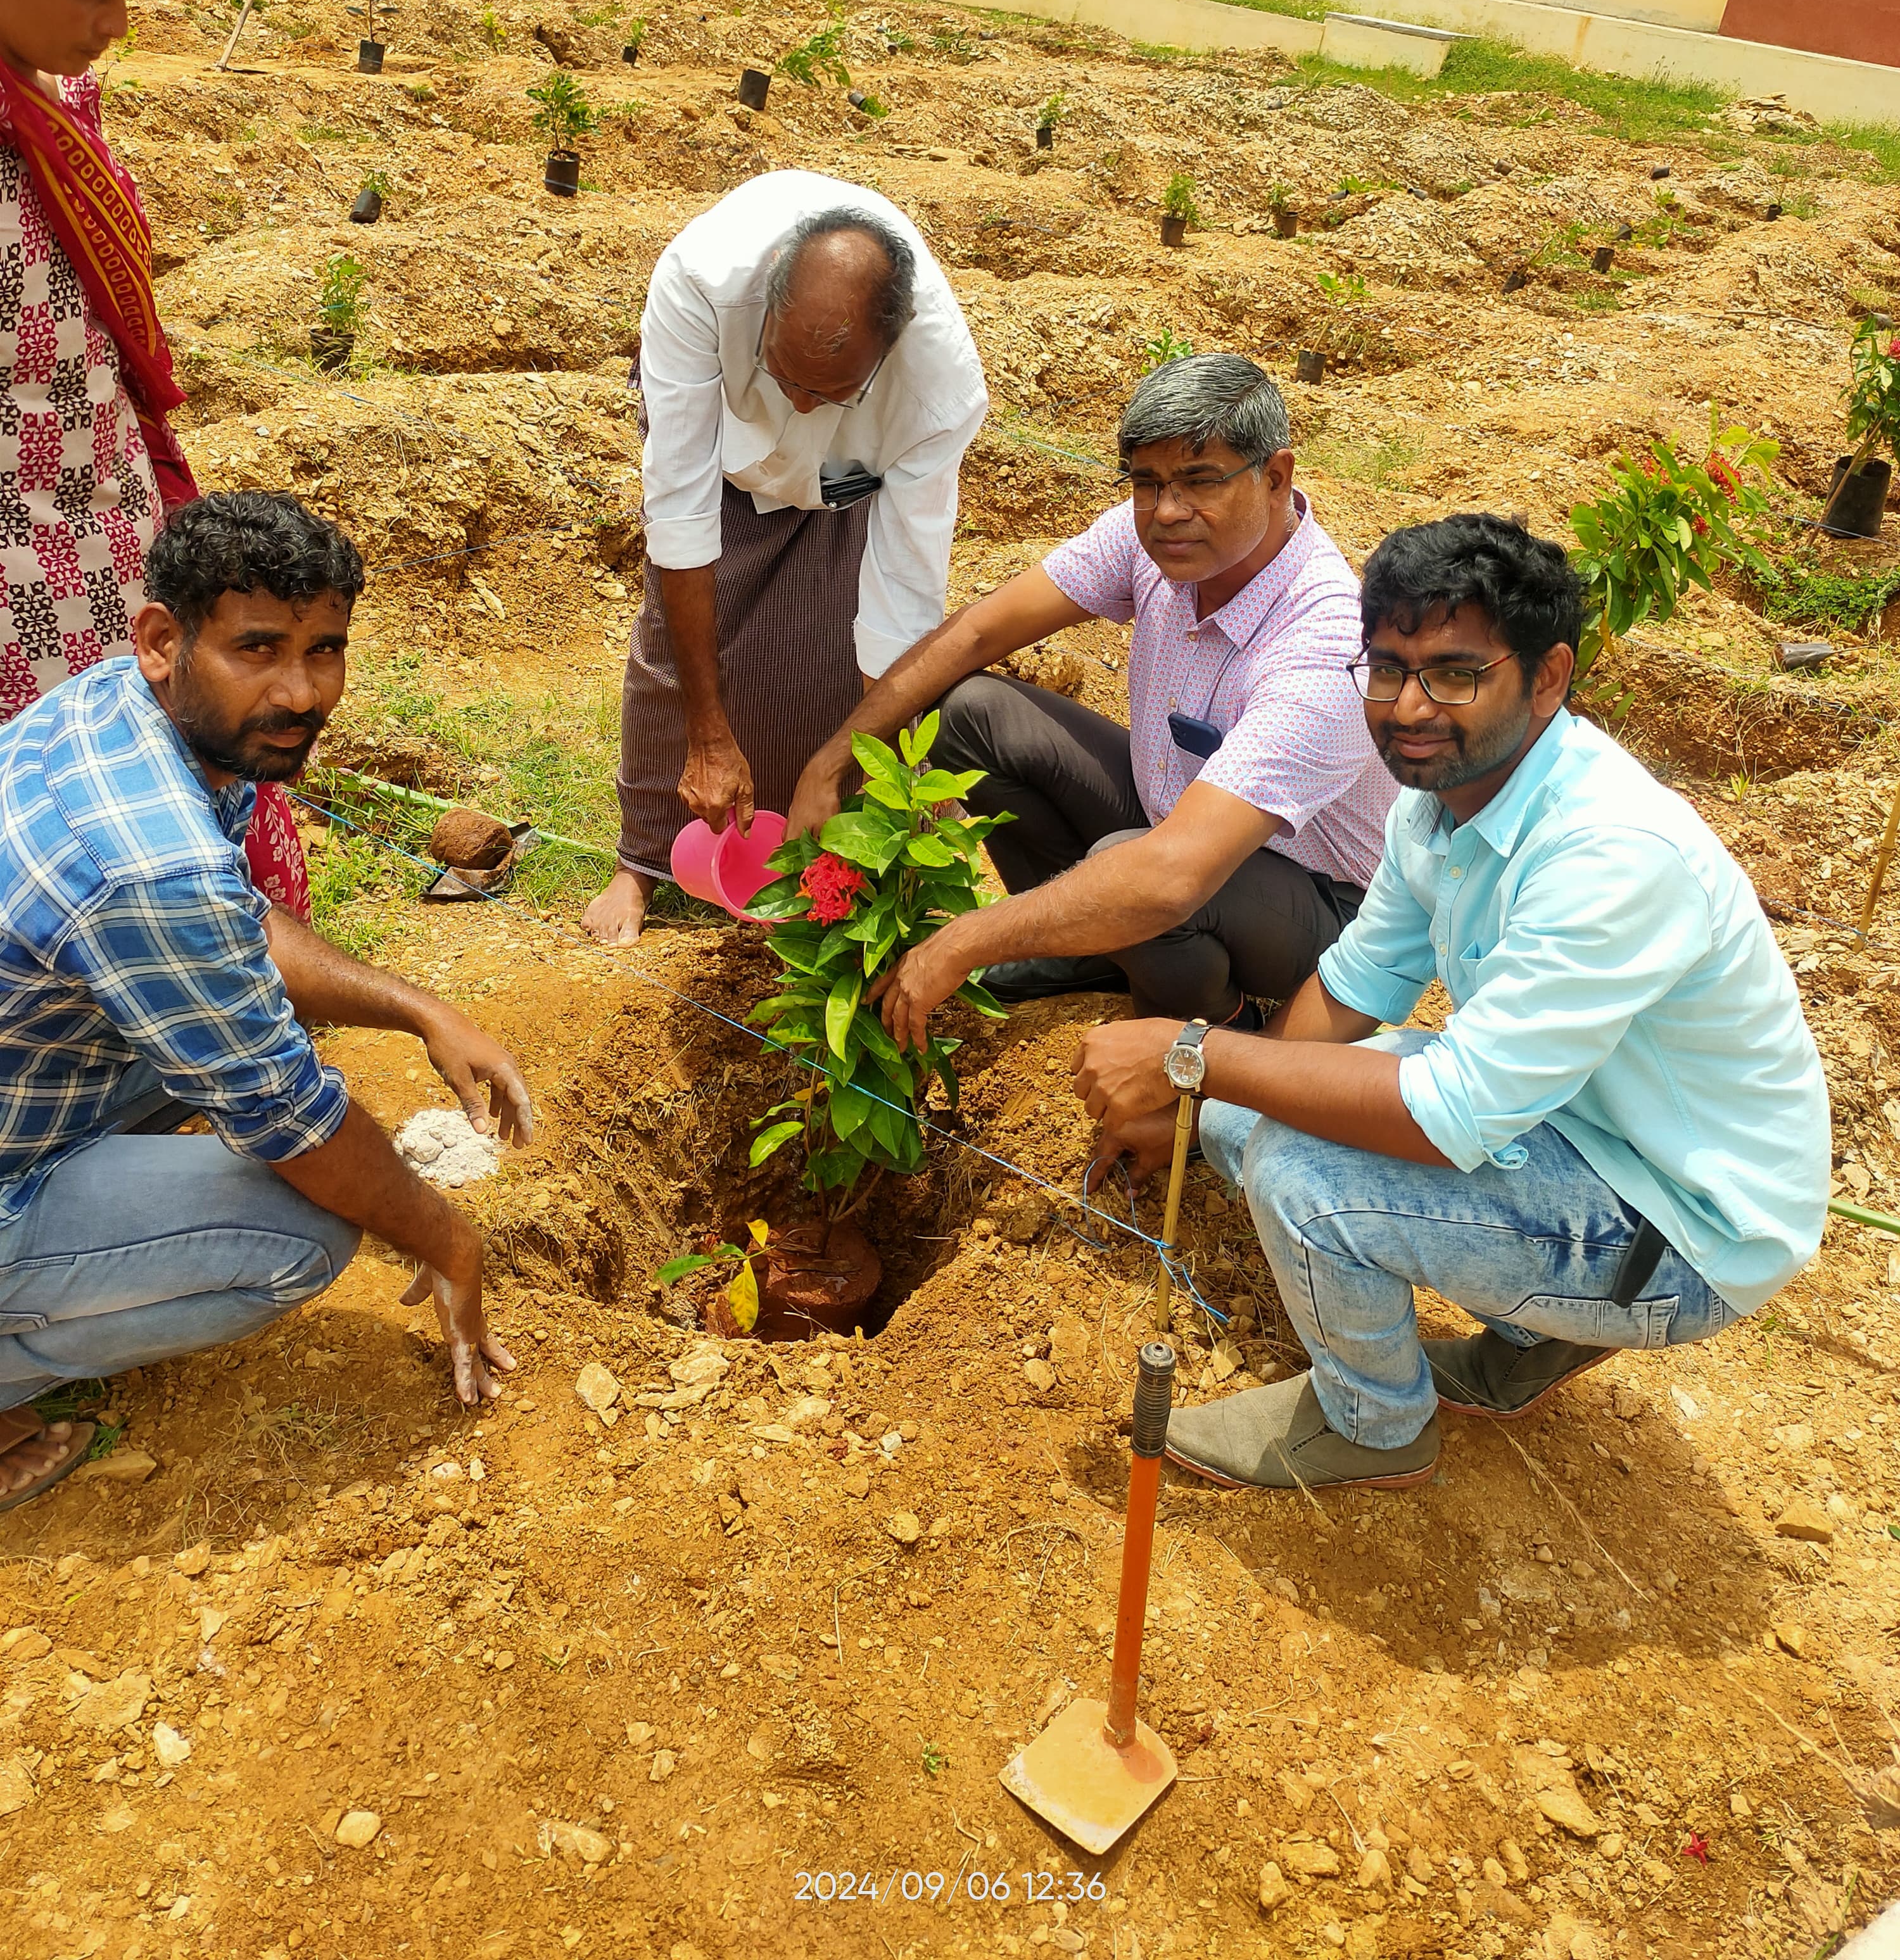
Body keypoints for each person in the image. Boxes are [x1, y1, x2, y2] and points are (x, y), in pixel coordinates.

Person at [1074, 512, 1829, 1495]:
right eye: (1387, 668)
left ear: (1548, 677)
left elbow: (1450, 1119)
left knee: (1299, 1168)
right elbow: (1353, 991)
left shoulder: (1611, 855)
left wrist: (1193, 1056)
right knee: (1245, 1124)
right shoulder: (1443, 802)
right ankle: (1533, 1340)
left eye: (1456, 674)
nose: (1409, 707)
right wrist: (1214, 1102)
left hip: (1687, 1228)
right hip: (1589, 1135)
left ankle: (1376, 1427)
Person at [0, 493, 532, 1516]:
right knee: (305, 1230)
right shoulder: (150, 867)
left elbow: (230, 921)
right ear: (166, 640)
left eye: (325, 649)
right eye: (259, 650)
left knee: (202, 1041)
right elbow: (296, 1123)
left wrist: (421, 1009)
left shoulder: (131, 706)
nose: (302, 690)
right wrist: (449, 1242)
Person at [789, 353, 1393, 1042]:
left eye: (1200, 481)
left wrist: (964, 941)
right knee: (972, 714)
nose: (1168, 512)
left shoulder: (1323, 643)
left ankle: (1224, 1027)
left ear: (1276, 476)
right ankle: (1093, 952)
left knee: (1132, 876)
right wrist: (833, 758)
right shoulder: (1154, 543)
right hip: (1173, 822)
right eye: (1147, 482)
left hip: (1317, 906)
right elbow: (981, 628)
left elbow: (1170, 876)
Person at [0, 0, 310, 914]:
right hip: (13, 562)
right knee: (60, 820)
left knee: (166, 759)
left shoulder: (52, 104)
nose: (117, 24)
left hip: (102, 509)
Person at [583, 169, 986, 948]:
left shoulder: (936, 395)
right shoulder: (702, 280)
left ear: (887, 355)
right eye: (785, 374)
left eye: (829, 391)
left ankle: (844, 849)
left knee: (828, 655)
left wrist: (878, 772)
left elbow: (903, 597)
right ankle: (642, 861)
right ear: (766, 306)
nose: (801, 403)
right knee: (678, 645)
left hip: (842, 481)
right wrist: (707, 735)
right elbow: (682, 510)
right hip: (719, 455)